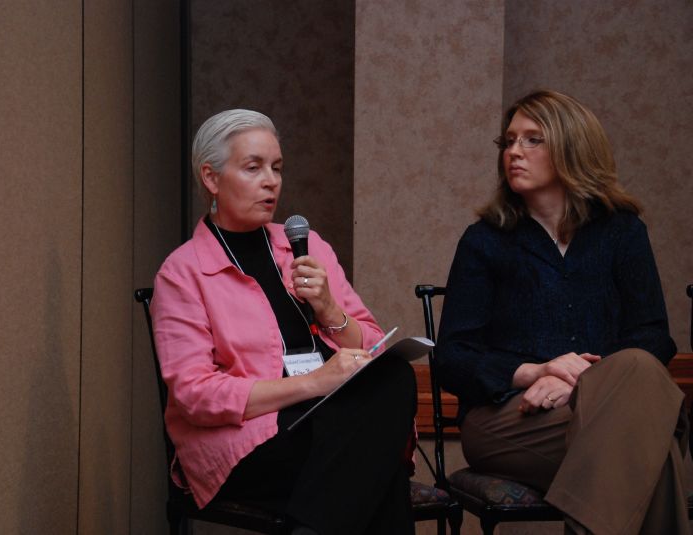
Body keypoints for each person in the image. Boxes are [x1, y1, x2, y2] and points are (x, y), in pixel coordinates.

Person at [151, 109, 417, 534]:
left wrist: (330, 309)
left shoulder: (306, 245)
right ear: (212, 178)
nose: (271, 180)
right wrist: (313, 384)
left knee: (395, 377)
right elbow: (195, 396)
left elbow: (371, 344)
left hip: (327, 424)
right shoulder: (183, 273)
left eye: (277, 168)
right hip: (247, 444)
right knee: (377, 469)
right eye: (253, 167)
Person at [435, 89, 689, 534]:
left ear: (572, 148)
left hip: (605, 408)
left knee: (635, 371)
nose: (514, 151)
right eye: (509, 141)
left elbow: (653, 335)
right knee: (655, 448)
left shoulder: (622, 233)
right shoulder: (486, 241)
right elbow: (453, 357)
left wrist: (583, 383)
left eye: (533, 140)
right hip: (509, 420)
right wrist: (535, 372)